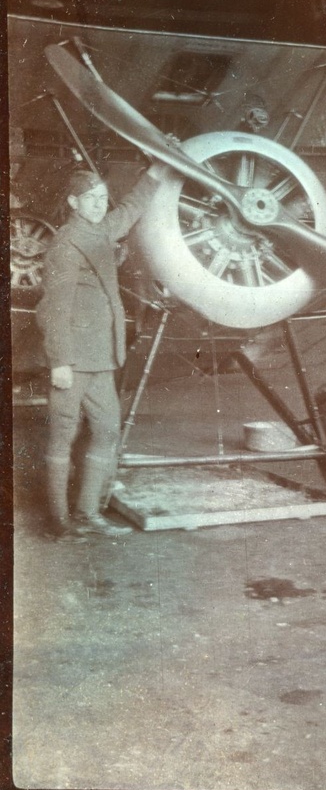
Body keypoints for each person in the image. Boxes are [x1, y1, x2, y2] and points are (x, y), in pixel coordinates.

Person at [36, 163, 162, 542]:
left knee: (107, 430)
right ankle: (59, 523)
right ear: (74, 202)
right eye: (89, 199)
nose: (98, 204)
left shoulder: (101, 229)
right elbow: (53, 308)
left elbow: (131, 208)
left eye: (101, 198)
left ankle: (87, 513)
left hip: (101, 359)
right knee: (62, 435)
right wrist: (59, 361)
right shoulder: (65, 243)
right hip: (72, 361)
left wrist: (156, 173)